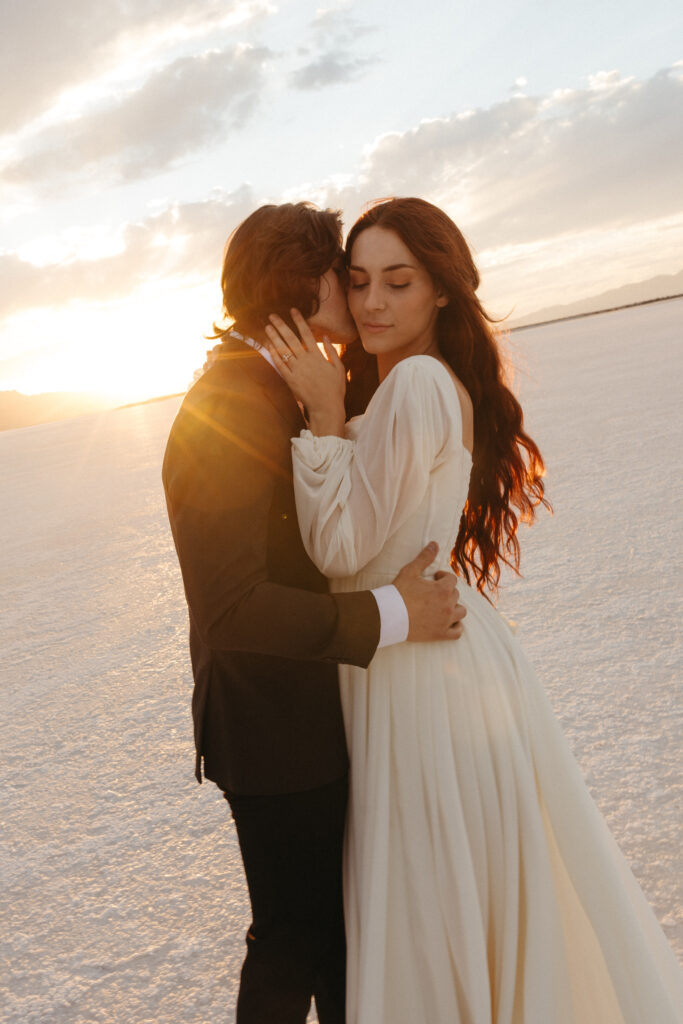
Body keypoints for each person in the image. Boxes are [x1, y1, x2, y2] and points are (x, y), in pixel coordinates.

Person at [265, 197, 683, 1023]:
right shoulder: (409, 386)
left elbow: (343, 550)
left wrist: (318, 417)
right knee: (459, 883)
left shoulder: (416, 382)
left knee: (432, 894)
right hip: (428, 656)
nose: (373, 303)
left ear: (442, 291)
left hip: (418, 674)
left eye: (399, 281)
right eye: (357, 283)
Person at [161, 201, 467, 1024]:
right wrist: (390, 614)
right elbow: (231, 609)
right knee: (294, 938)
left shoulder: (275, 386)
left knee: (330, 936)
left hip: (308, 716)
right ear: (305, 291)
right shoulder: (229, 405)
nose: (360, 294)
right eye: (344, 274)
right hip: (273, 732)